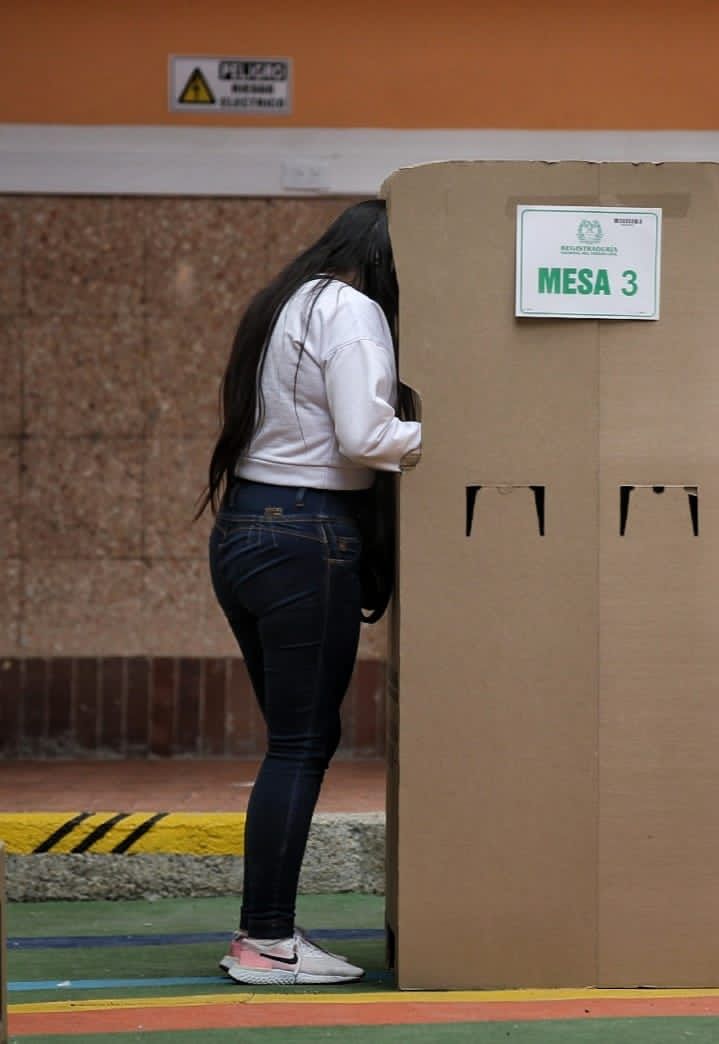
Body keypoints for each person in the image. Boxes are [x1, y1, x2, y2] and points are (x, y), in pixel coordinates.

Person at [198, 200, 421, 985]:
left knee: (291, 743)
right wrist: (459, 432)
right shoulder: (354, 310)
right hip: (307, 537)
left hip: (249, 530)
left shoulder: (285, 300)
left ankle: (267, 933)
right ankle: (265, 940)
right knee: (299, 745)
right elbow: (365, 437)